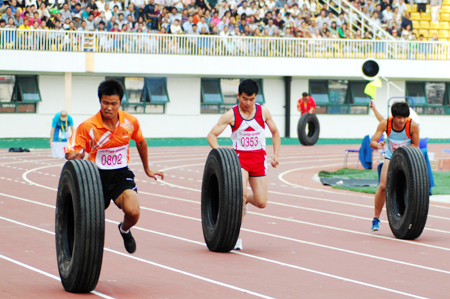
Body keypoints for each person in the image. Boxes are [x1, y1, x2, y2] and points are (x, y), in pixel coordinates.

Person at [65, 79, 164, 254]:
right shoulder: (88, 126)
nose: (109, 108)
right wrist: (75, 156)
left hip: (120, 175)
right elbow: (71, 152)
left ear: (120, 103)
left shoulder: (129, 122)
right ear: (100, 102)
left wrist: (147, 169)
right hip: (95, 177)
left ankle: (124, 230)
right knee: (90, 221)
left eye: (113, 103)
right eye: (105, 103)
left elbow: (141, 142)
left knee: (133, 212)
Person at [206, 79, 281, 250]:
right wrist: (222, 157)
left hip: (258, 160)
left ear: (256, 97)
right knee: (240, 196)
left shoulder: (263, 112)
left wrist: (276, 154)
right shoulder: (231, 115)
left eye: (252, 99)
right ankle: (235, 237)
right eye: (245, 98)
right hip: (239, 162)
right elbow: (211, 135)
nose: (248, 103)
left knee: (262, 202)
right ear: (238, 96)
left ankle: (243, 200)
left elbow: (275, 133)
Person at [369, 102, 419, 231]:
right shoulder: (385, 124)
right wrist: (378, 145)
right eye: (399, 117)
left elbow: (415, 145)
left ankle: (410, 218)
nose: (402, 120)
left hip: (407, 158)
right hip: (390, 156)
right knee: (383, 186)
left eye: (405, 117)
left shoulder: (412, 126)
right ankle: (376, 219)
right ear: (393, 117)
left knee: (410, 188)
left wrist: (403, 150)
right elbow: (372, 142)